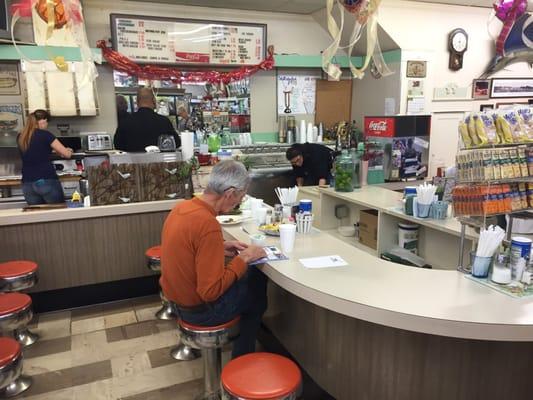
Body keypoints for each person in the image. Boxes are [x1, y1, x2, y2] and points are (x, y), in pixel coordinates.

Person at [160, 160, 267, 359]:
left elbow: (188, 250)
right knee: (256, 286)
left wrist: (219, 248)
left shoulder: (182, 208)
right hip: (199, 312)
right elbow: (209, 292)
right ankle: (242, 359)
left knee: (248, 279)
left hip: (176, 302)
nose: (238, 203)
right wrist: (243, 258)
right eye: (240, 198)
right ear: (229, 194)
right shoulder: (206, 223)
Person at [17, 109, 73, 205]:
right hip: (46, 181)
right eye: (47, 122)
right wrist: (69, 150)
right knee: (58, 215)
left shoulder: (21, 137)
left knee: (37, 217)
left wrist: (53, 150)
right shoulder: (45, 135)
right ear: (43, 121)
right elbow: (67, 154)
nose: (47, 125)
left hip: (27, 184)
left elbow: (35, 151)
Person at [113, 88, 180, 152]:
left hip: (132, 162)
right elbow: (176, 143)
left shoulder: (125, 122)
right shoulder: (164, 121)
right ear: (154, 100)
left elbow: (117, 145)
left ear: (137, 102)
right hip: (159, 162)